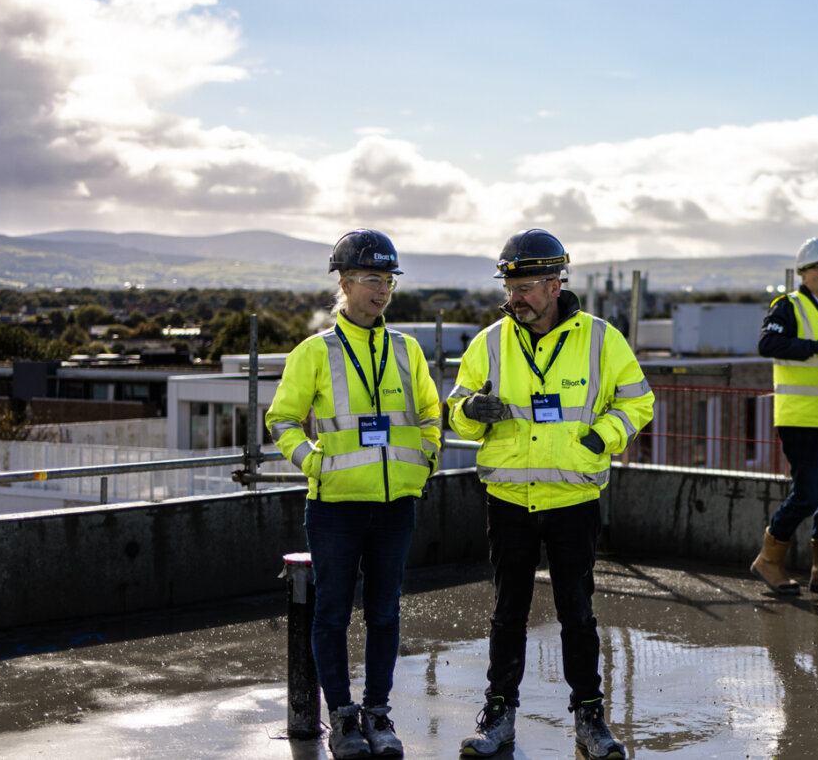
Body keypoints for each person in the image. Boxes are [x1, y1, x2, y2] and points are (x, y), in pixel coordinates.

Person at [446, 228, 653, 760]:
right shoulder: (489, 341)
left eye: (529, 285)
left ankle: (590, 716)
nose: (517, 296)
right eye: (511, 285)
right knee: (506, 612)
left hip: (572, 502)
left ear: (557, 283)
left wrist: (599, 437)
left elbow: (638, 403)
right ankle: (499, 715)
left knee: (577, 615)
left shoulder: (602, 339)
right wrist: (469, 412)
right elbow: (455, 405)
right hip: (509, 501)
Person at [265, 229, 443, 760]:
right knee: (333, 615)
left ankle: (378, 714)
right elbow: (281, 420)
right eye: (371, 279)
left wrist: (427, 459)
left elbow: (432, 414)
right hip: (335, 508)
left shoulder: (407, 349)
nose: (382, 290)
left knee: (385, 612)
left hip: (395, 506)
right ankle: (342, 719)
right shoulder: (313, 352)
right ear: (344, 284)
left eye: (388, 280)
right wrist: (316, 463)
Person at [750, 237, 818, 596]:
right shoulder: (788, 306)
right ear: (803, 274)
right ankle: (768, 559)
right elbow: (768, 344)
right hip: (799, 419)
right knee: (807, 495)